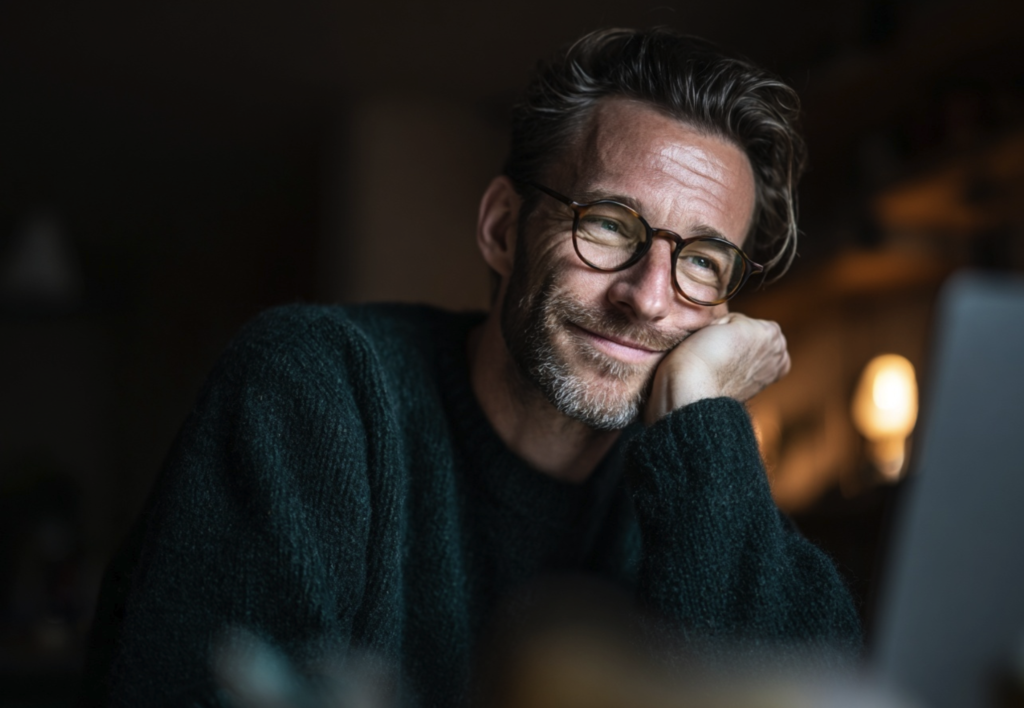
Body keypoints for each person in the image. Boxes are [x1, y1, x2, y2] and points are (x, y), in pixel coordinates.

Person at [81, 27, 861, 708]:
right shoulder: (316, 387)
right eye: (609, 224)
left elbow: (816, 686)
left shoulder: (698, 487)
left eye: (702, 261)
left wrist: (700, 416)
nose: (649, 298)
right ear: (502, 228)